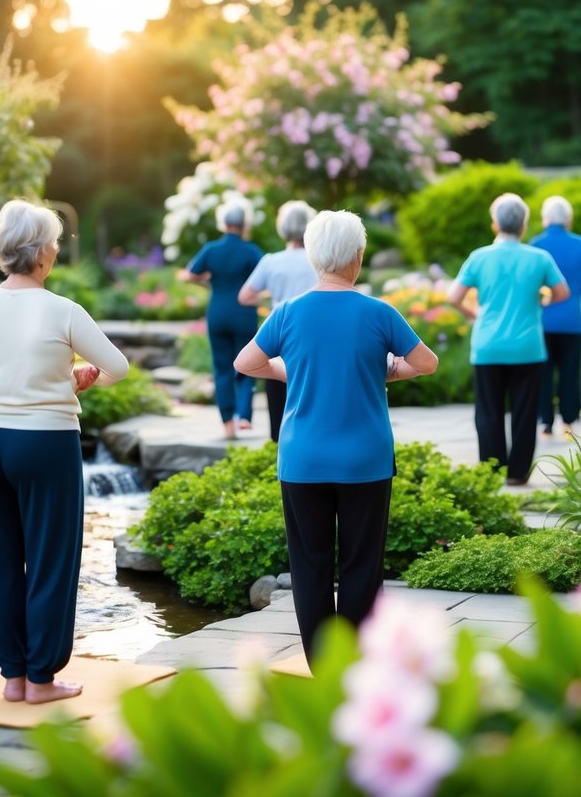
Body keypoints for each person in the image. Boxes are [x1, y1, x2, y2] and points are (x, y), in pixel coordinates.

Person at [0, 200, 130, 705]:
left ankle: (13, 676)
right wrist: (79, 380)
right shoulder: (64, 311)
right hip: (45, 442)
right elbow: (117, 366)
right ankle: (42, 680)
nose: (56, 250)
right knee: (51, 560)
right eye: (54, 243)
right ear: (40, 254)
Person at [234, 210, 438, 661]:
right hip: (366, 460)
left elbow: (244, 364)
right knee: (362, 564)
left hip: (303, 460)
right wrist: (386, 369)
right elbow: (426, 363)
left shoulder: (287, 313)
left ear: (312, 257)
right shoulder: (379, 312)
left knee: (310, 566)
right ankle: (356, 661)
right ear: (358, 258)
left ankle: (323, 666)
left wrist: (289, 371)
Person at [447, 193, 570, 486]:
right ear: (524, 226)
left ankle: (491, 472)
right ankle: (517, 474)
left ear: (495, 224)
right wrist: (541, 301)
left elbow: (453, 297)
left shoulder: (479, 257)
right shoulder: (539, 258)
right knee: (525, 413)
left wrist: (475, 314)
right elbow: (563, 293)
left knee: (489, 411)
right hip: (527, 346)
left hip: (488, 345)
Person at [529, 195, 581, 438]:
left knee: (542, 372)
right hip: (572, 321)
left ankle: (545, 422)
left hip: (542, 319)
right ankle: (569, 420)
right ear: (569, 219)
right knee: (569, 371)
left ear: (545, 218)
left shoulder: (535, 244)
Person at [179, 199, 265, 440]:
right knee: (247, 364)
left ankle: (228, 426)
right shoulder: (250, 251)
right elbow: (263, 280)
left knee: (222, 368)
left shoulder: (211, 249)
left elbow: (189, 274)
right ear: (244, 223)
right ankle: (245, 417)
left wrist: (208, 280)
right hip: (244, 313)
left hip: (217, 312)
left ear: (223, 222)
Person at [238, 200, 319, 442]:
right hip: (313, 330)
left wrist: (270, 300)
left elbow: (245, 296)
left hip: (281, 331)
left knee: (277, 392)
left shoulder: (271, 261)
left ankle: (280, 444)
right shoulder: (317, 260)